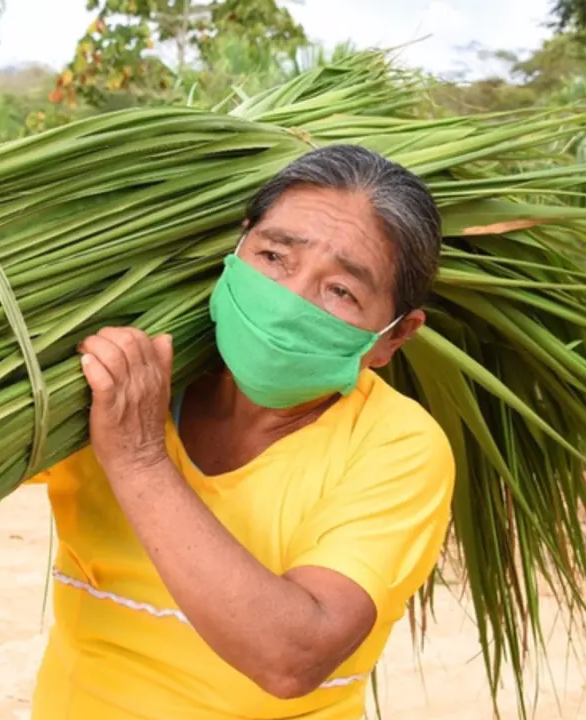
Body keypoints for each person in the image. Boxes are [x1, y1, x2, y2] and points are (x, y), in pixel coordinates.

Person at [28, 144, 456, 720]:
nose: (287, 299)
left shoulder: (397, 447)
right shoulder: (122, 376)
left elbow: (293, 657)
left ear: (393, 338)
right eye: (275, 256)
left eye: (342, 291)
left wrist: (138, 460)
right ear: (238, 244)